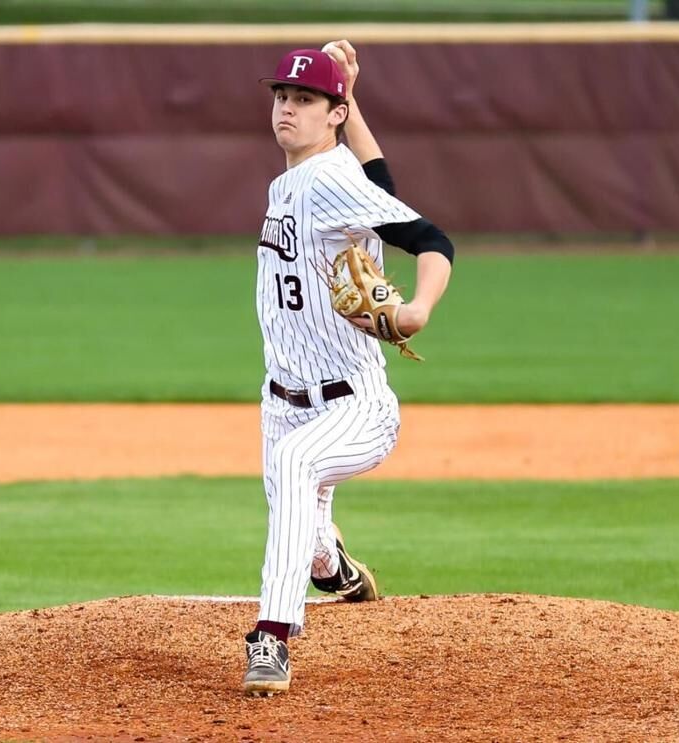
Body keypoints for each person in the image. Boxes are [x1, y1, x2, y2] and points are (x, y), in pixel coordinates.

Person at [243, 40, 454, 696]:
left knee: (297, 465)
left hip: (354, 402)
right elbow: (382, 192)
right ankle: (335, 570)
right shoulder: (300, 180)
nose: (287, 108)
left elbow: (428, 239)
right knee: (304, 540)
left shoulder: (326, 178)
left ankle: (272, 638)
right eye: (282, 96)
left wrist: (417, 308)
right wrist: (352, 100)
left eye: (305, 100)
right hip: (283, 403)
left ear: (331, 114)